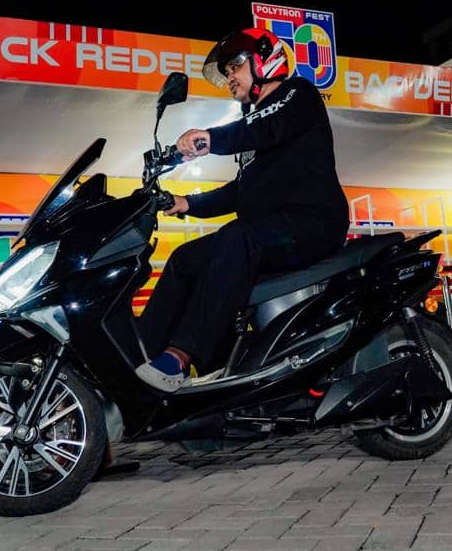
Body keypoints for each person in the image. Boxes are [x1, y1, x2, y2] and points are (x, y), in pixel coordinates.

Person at [135, 27, 351, 392]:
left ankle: (179, 357)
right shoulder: (257, 127)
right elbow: (240, 192)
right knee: (185, 259)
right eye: (227, 72)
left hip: (313, 222)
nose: (230, 78)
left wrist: (209, 138)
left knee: (237, 237)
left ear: (264, 60)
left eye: (235, 66)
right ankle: (143, 354)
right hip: (270, 229)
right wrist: (185, 203)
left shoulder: (297, 94)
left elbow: (262, 127)